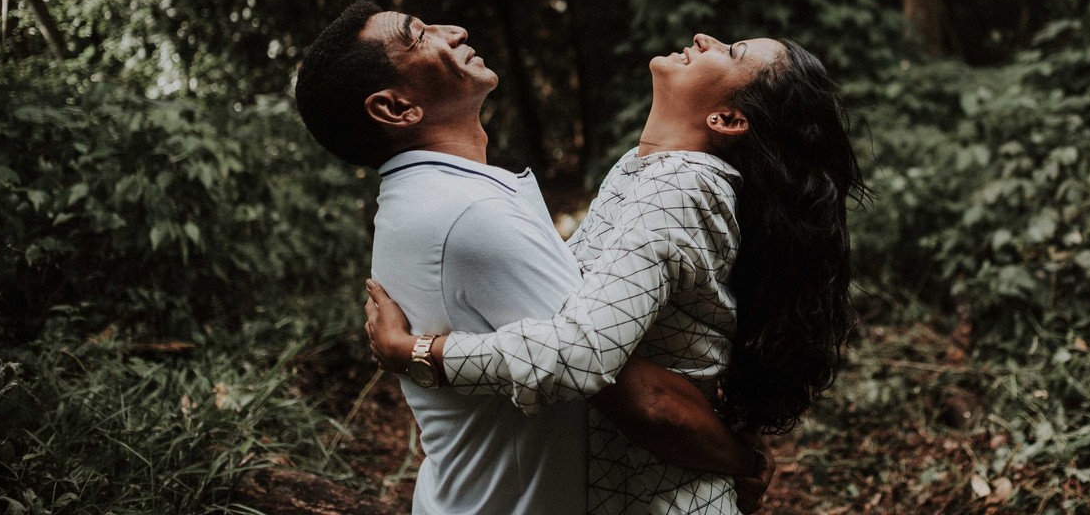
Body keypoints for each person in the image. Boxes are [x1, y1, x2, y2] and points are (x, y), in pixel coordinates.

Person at [294, 1, 770, 515]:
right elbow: (635, 394)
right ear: (395, 108)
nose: (454, 30)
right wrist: (743, 462)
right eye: (418, 35)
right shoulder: (468, 214)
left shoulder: (438, 197)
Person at [367, 29, 868, 514]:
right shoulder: (644, 170)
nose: (703, 39)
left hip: (664, 496)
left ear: (726, 118)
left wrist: (418, 352)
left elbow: (581, 355)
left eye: (730, 52)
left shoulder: (681, 186)